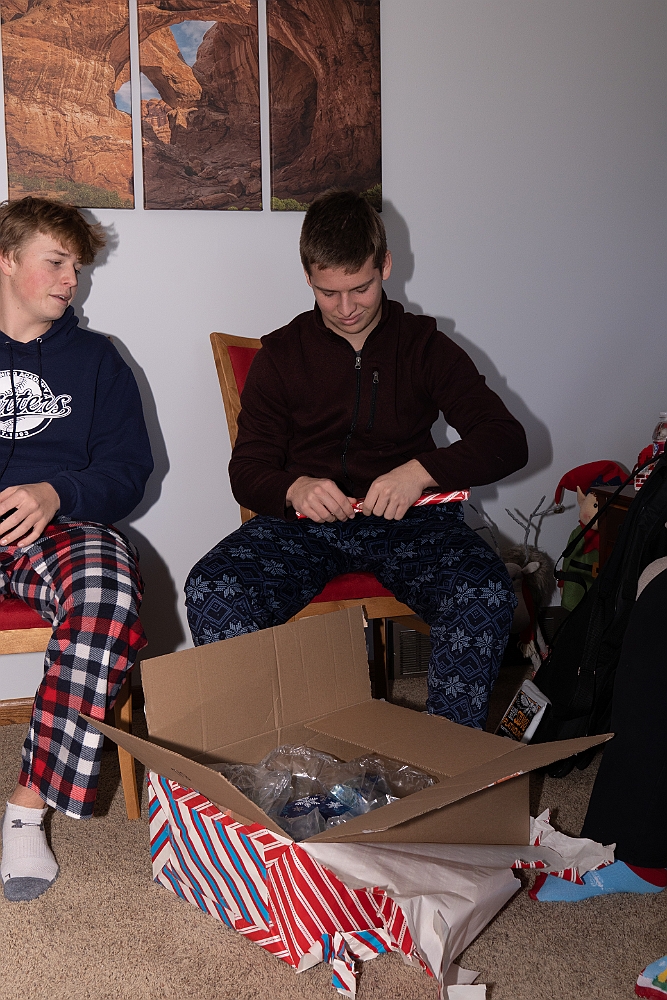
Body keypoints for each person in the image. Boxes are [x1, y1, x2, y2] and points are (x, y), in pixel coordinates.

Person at [186, 189, 528, 728]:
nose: (346, 309)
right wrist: (294, 487)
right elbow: (246, 471)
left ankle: (448, 755)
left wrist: (420, 473)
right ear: (308, 277)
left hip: (412, 524)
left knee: (483, 591)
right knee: (212, 587)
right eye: (329, 292)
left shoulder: (425, 346)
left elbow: (506, 440)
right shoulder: (281, 355)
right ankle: (265, 752)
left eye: (361, 288)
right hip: (303, 529)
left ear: (385, 265)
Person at [0, 197, 153, 901]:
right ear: (7, 260)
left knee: (109, 588)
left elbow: (128, 472)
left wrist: (56, 492)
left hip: (53, 531)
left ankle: (27, 810)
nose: (71, 280)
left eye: (77, 267)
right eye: (56, 262)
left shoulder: (97, 361)